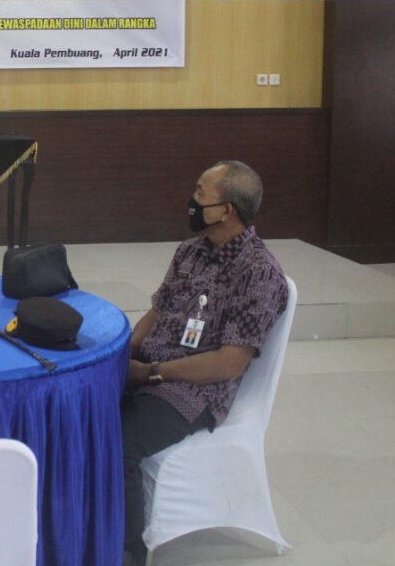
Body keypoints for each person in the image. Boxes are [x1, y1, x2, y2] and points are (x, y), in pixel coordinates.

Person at [120, 160, 288, 566]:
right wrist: (123, 356)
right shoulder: (190, 251)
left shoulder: (259, 273)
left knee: (116, 444)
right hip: (150, 368)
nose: (192, 201)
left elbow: (229, 363)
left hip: (192, 392)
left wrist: (152, 373)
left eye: (200, 193)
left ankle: (125, 554)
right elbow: (156, 313)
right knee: (77, 413)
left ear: (226, 210)